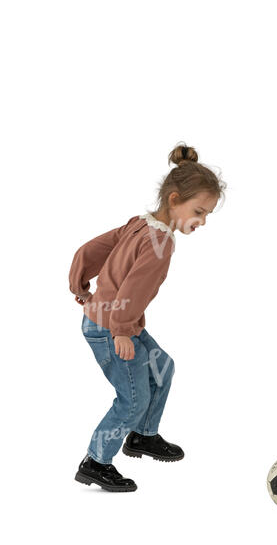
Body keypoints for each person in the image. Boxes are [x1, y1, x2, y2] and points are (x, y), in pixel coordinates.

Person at [69, 143, 225, 491]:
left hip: (115, 321)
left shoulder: (140, 223)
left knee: (162, 367)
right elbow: (134, 290)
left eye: (207, 215)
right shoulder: (160, 242)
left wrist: (79, 281)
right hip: (111, 327)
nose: (202, 222)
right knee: (132, 397)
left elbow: (91, 250)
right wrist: (122, 332)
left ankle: (143, 435)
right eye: (199, 212)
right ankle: (96, 461)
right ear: (174, 200)